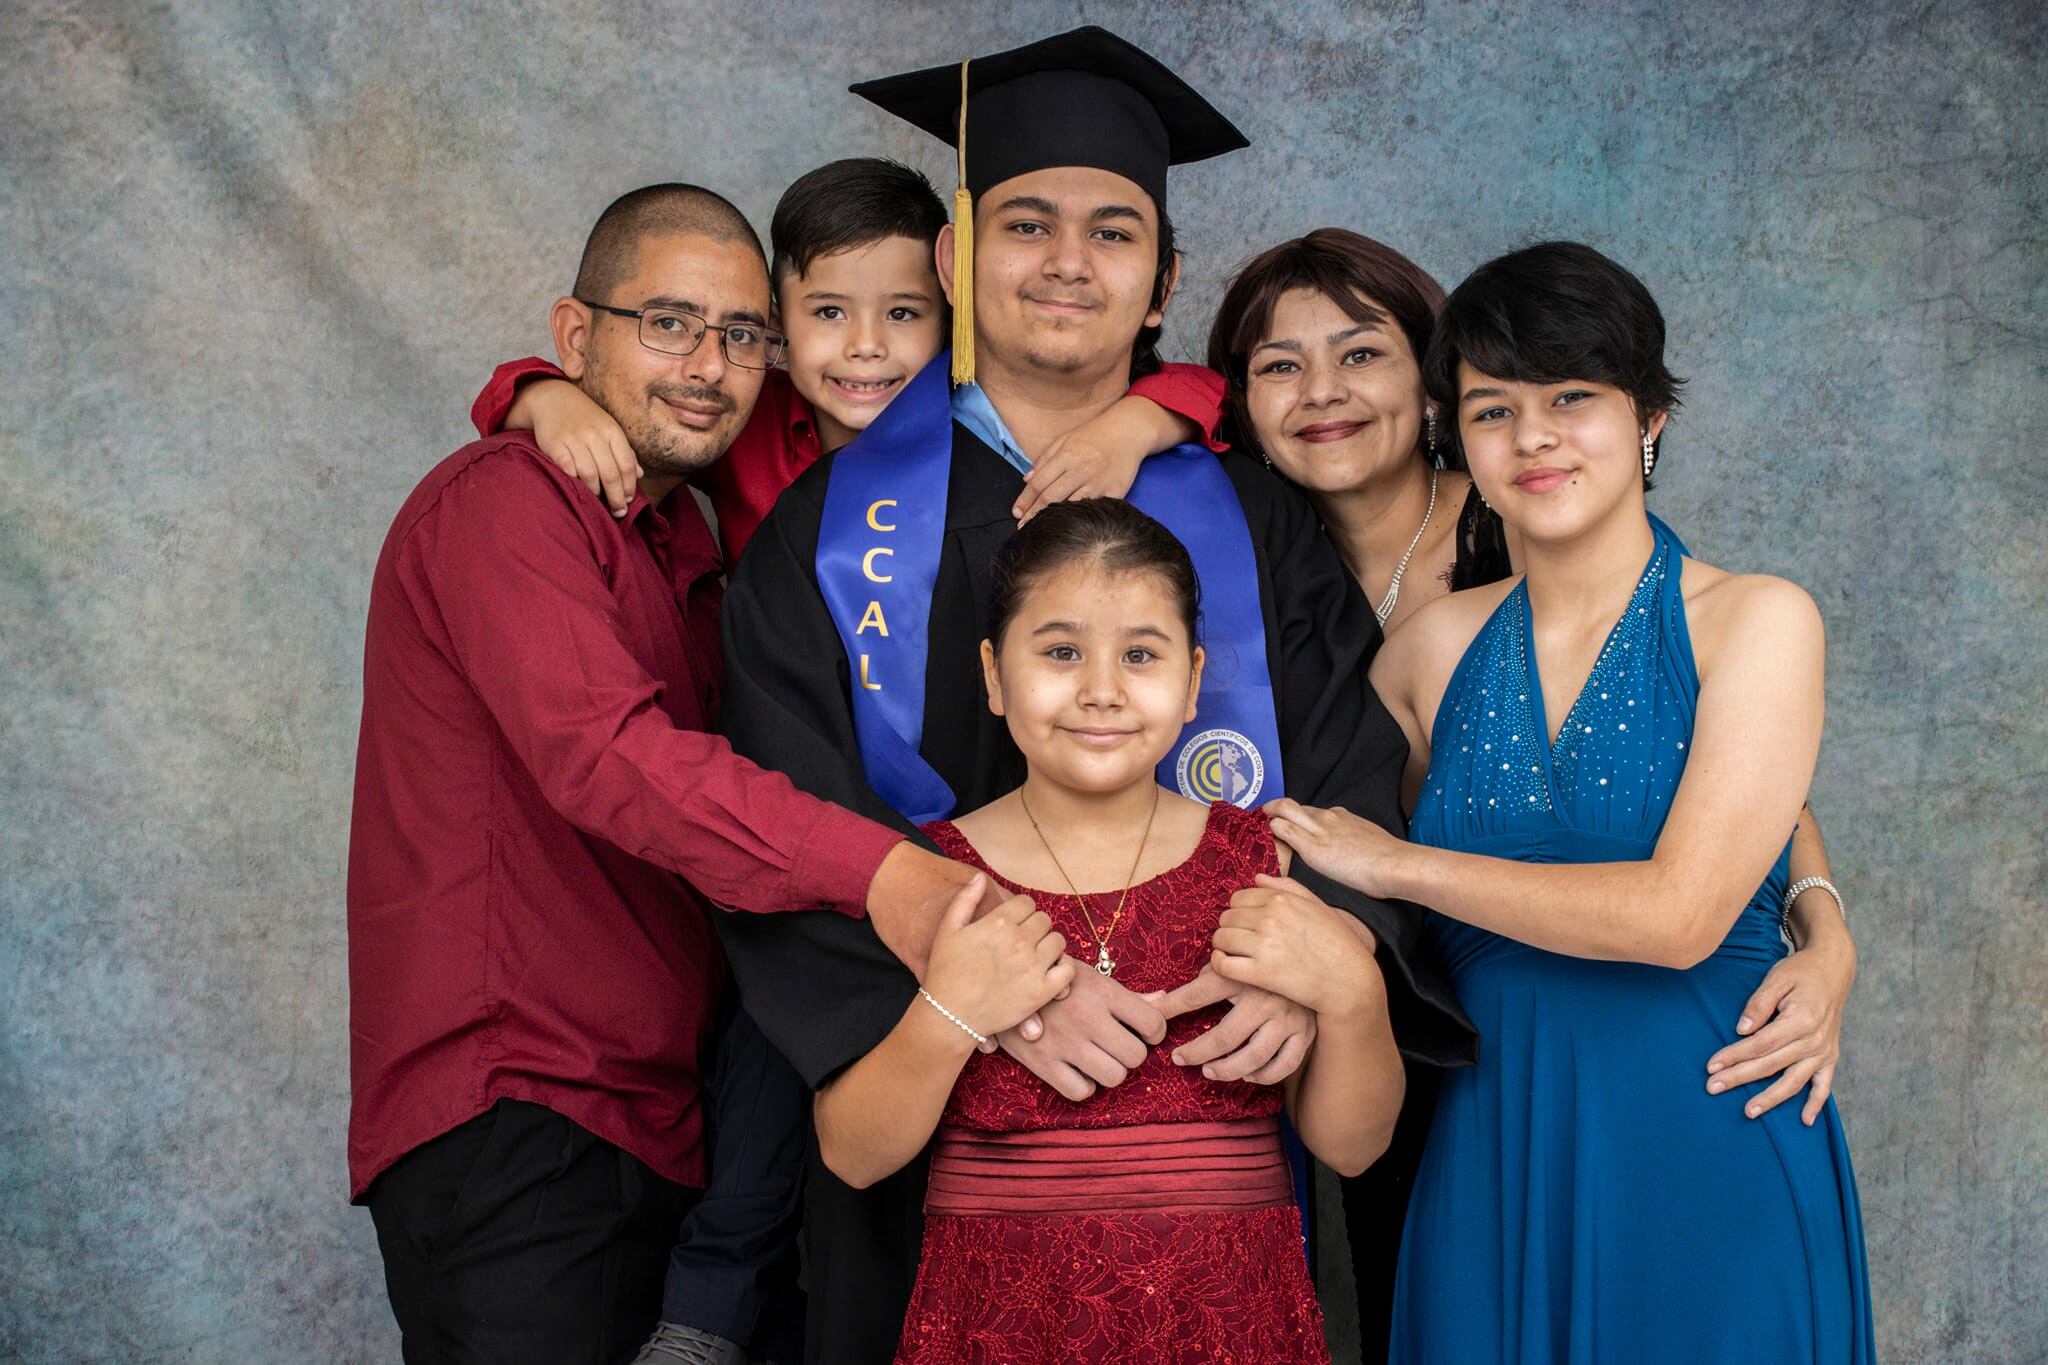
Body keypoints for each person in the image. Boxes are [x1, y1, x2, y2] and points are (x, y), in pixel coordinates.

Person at [709, 26, 1473, 1362]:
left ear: (1164, 279)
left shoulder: (1251, 513)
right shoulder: (828, 530)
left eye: (1114, 231)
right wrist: (980, 983)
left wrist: (1322, 967)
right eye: (1026, 224)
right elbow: (786, 812)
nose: (1069, 262)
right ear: (954, 259)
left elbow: (1349, 767)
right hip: (944, 1150)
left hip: (1222, 1144)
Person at [347, 183, 986, 1365]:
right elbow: (609, 758)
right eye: (669, 324)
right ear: (576, 335)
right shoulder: (503, 503)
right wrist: (882, 874)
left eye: (743, 336)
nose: (709, 365)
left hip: (665, 1128)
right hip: (521, 1115)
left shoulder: (695, 547)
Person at [1208, 227, 1864, 1359]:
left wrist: (1826, 929)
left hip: (1706, 1120)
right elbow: (1328, 861)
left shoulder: (1756, 620)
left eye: (1573, 396)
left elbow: (1681, 910)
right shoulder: (1420, 653)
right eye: (1493, 407)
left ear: (1648, 419)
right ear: (1454, 427)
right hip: (1488, 1139)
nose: (1534, 436)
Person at [814, 499, 1404, 1361]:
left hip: (1230, 1321)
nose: (1101, 689)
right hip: (1001, 1324)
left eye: (1140, 654)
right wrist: (951, 1010)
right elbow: (853, 1154)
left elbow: (1353, 1148)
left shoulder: (1261, 862)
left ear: (1195, 678)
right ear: (992, 673)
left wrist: (1352, 989)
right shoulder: (932, 883)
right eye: (1060, 652)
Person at [470, 157, 1230, 562]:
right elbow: (636, 413)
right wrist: (543, 395)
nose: (866, 346)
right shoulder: (743, 418)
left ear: (950, 314)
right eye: (829, 312)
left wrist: (1129, 428)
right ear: (774, 326)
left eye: (902, 314)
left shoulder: (982, 414)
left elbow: (1207, 391)